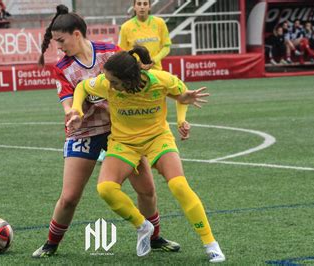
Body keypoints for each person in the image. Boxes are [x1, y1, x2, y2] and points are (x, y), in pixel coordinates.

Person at [32, 5, 182, 258]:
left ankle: (154, 237)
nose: (58, 46)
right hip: (85, 132)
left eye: (61, 40)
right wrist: (73, 114)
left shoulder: (110, 52)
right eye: (55, 41)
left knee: (146, 190)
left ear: (77, 34)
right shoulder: (63, 67)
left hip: (120, 132)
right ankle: (51, 244)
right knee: (69, 197)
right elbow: (69, 101)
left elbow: (136, 78)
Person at [66, 45, 225, 262]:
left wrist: (181, 119)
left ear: (130, 79)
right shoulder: (107, 84)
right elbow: (83, 87)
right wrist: (77, 110)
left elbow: (182, 94)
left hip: (157, 139)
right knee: (105, 189)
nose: (109, 85)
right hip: (123, 142)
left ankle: (211, 244)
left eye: (114, 82)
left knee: (179, 185)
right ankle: (143, 226)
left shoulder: (161, 80)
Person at [118, 0, 171, 71]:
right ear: (134, 7)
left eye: (145, 4)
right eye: (139, 4)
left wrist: (154, 60)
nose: (142, 7)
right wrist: (137, 62)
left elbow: (166, 47)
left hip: (156, 70)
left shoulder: (160, 23)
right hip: (135, 71)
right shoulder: (125, 27)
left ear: (149, 7)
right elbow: (122, 52)